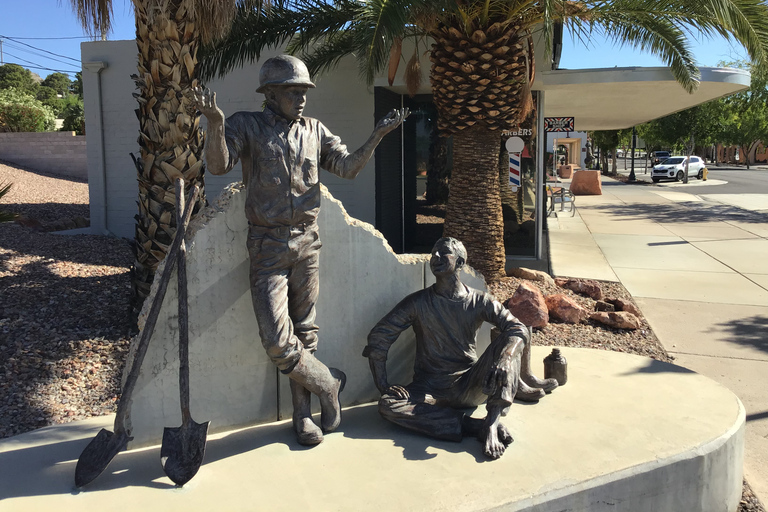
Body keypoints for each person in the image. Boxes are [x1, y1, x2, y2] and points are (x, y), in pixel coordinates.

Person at [193, 55, 408, 446]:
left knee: (306, 331)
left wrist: (377, 135)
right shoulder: (247, 125)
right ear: (271, 94)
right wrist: (215, 122)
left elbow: (345, 168)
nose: (302, 98)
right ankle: (328, 383)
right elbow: (219, 166)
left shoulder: (315, 130)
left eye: (304, 91)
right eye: (294, 91)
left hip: (308, 242)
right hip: (267, 245)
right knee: (277, 338)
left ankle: (301, 416)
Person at [363, 237, 557, 459]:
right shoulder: (417, 303)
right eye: (433, 252)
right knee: (388, 405)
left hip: (470, 384)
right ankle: (475, 426)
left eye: (443, 253)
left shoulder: (480, 300)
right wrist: (383, 385)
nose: (435, 257)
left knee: (507, 343)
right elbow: (379, 337)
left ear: (460, 262)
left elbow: (517, 328)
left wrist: (506, 357)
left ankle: (492, 424)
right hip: (429, 388)